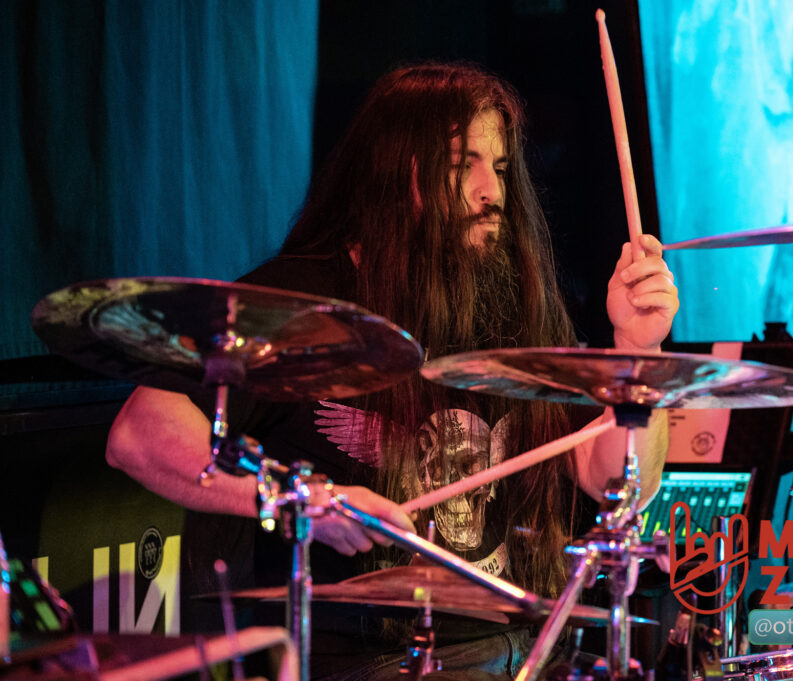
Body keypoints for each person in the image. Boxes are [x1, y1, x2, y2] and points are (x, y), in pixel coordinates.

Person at [105, 62, 679, 679]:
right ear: (398, 173)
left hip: (527, 650)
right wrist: (299, 502)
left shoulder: (514, 308)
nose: (494, 192)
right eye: (464, 166)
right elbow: (140, 433)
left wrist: (637, 350)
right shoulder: (303, 306)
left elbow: (618, 482)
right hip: (368, 660)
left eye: (502, 167)